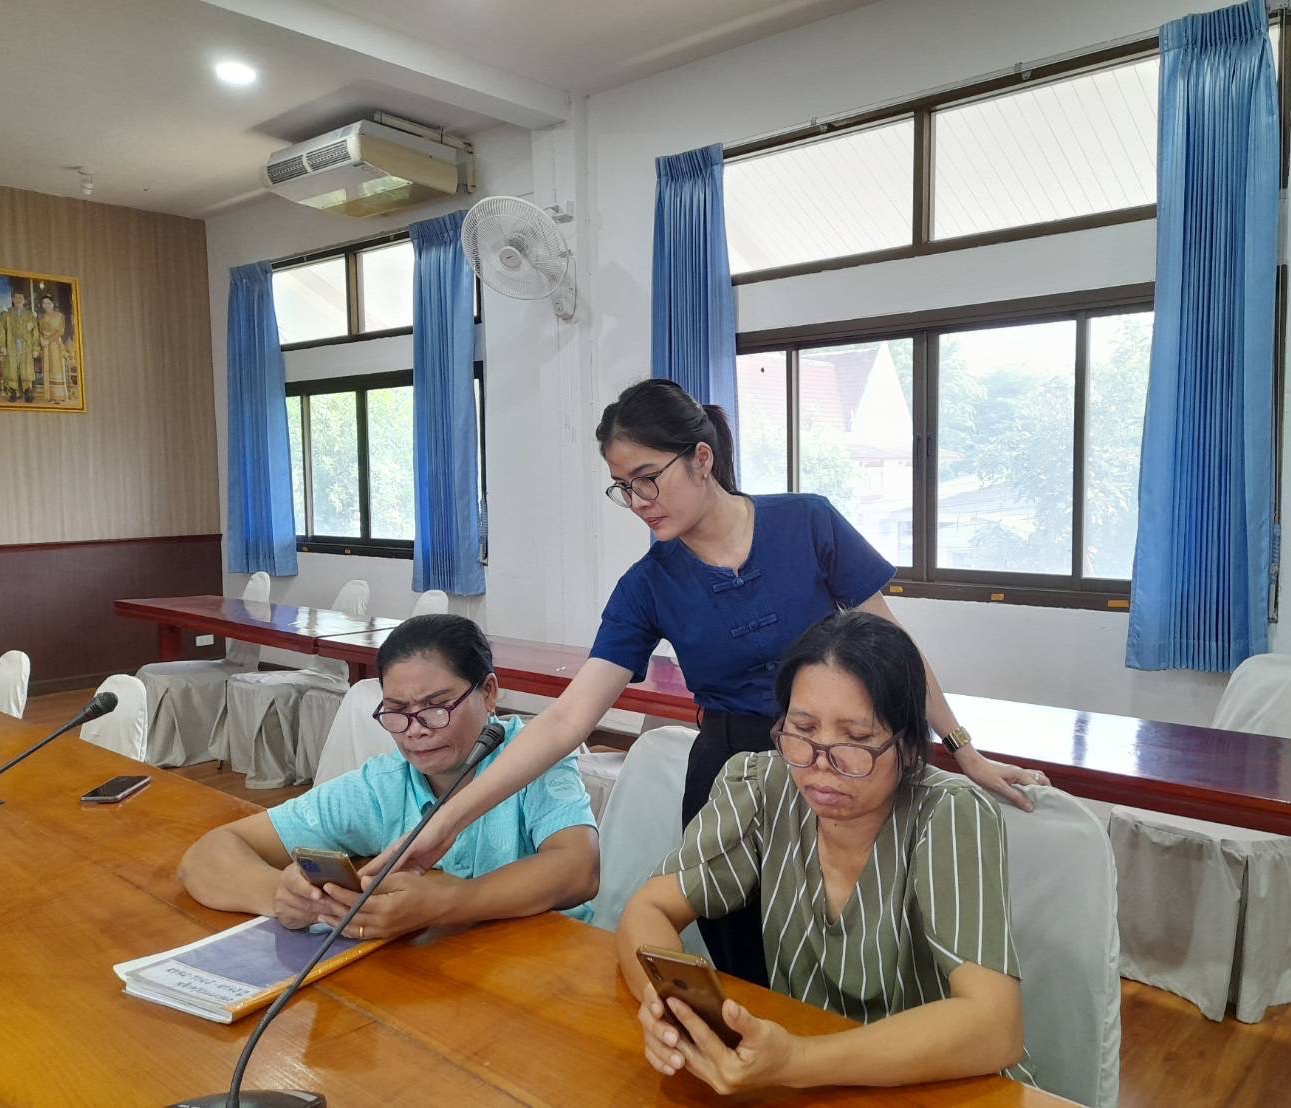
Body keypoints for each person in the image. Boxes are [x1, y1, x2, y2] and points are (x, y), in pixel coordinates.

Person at [366, 380, 1045, 985]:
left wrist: (961, 747)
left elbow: (895, 653)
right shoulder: (648, 585)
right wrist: (444, 823)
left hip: (836, 764)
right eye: (622, 487)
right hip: (731, 780)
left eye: (647, 478)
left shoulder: (806, 523)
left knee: (861, 956)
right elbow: (568, 720)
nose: (638, 502)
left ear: (701, 457)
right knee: (748, 966)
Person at [616, 611, 1036, 1095]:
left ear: (908, 747)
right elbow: (647, 910)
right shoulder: (763, 786)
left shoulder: (948, 815)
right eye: (803, 729)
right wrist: (670, 1013)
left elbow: (995, 1025)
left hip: (942, 1088)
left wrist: (797, 1061)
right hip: (812, 1086)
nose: (821, 763)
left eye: (856, 739)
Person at [178, 614, 599, 939]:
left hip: (544, 969)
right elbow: (207, 856)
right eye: (397, 711)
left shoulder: (535, 759)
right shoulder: (384, 785)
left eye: (437, 707)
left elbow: (579, 869)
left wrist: (450, 902)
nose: (415, 730)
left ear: (488, 692)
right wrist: (281, 895)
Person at [0, 288, 37, 402]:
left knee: (26, 368)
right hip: (11, 344)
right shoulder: (6, 314)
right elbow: (1, 329)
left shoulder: (30, 315)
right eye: (16, 297)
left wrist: (36, 348)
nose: (18, 300)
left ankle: (27, 392)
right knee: (11, 368)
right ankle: (13, 392)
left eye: (21, 298)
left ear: (24, 300)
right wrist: (2, 346)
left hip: (26, 346)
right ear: (12, 299)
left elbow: (35, 332)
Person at [36, 294, 68, 404]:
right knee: (48, 369)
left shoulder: (59, 316)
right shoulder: (41, 317)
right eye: (44, 303)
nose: (46, 305)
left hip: (55, 345)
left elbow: (61, 331)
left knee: (56, 368)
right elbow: (39, 331)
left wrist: (48, 340)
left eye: (48, 303)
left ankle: (59, 397)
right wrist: (41, 339)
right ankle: (50, 396)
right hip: (45, 347)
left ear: (53, 304)